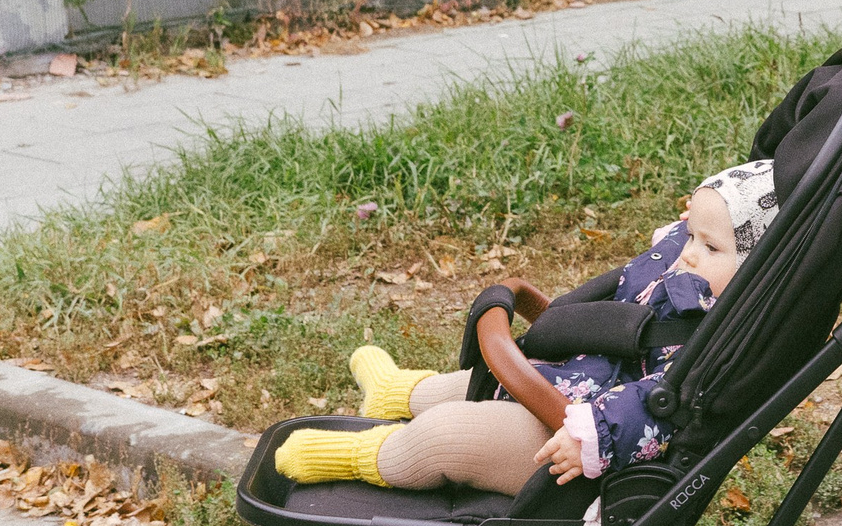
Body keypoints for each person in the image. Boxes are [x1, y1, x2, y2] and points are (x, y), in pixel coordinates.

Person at [271, 159, 777, 494]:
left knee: (448, 436)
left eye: (710, 247)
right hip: (575, 386)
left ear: (759, 269)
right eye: (691, 235)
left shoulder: (717, 334)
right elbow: (689, 241)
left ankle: (356, 455)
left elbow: (667, 401)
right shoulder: (693, 261)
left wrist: (595, 435)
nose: (689, 253)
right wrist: (698, 226)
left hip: (582, 448)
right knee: (467, 385)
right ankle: (395, 392)